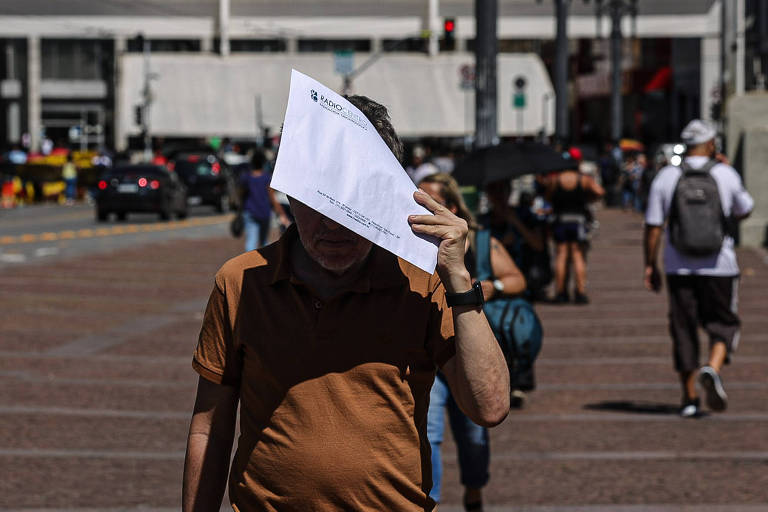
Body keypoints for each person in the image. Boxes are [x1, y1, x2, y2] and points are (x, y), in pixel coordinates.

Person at [182, 95, 510, 511]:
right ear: (290, 194)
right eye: (319, 199)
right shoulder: (242, 282)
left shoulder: (421, 282)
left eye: (353, 200)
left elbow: (490, 406)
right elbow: (209, 427)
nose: (334, 223)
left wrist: (460, 281)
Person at [418, 173, 525, 512]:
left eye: (431, 200)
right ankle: (429, 500)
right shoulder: (407, 241)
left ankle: (474, 491)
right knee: (429, 433)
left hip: (468, 352)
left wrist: (488, 288)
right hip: (430, 357)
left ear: (450, 206)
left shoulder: (479, 240)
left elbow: (516, 279)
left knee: (474, 435)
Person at [644, 119, 754, 418]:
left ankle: (689, 398)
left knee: (683, 330)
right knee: (724, 323)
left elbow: (654, 226)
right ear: (711, 144)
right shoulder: (724, 173)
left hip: (678, 265)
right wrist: (728, 172)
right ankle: (713, 367)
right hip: (720, 264)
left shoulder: (667, 176)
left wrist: (650, 265)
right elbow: (745, 209)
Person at [547, 149, 605, 304]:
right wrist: (588, 198)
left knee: (561, 255)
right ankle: (580, 292)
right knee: (578, 255)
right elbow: (600, 191)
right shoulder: (583, 179)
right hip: (578, 220)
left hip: (560, 220)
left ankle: (560, 292)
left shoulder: (556, 179)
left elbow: (548, 195)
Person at [238, 149, 290, 251]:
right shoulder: (266, 178)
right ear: (263, 162)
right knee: (264, 242)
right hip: (264, 212)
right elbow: (272, 198)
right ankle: (264, 264)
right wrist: (281, 213)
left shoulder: (247, 177)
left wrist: (240, 208)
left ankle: (249, 263)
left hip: (250, 211)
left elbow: (241, 194)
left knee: (251, 242)